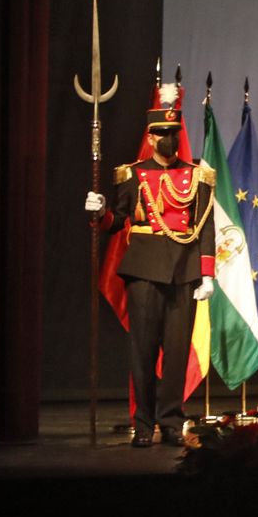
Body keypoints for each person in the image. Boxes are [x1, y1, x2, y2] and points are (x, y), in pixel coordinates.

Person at [84, 89, 215, 447]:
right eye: (163, 135)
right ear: (151, 137)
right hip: (144, 269)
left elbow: (204, 227)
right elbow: (118, 222)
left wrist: (207, 273)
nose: (170, 140)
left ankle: (171, 422)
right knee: (142, 350)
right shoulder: (132, 175)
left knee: (176, 352)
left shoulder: (198, 176)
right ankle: (143, 423)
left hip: (184, 269)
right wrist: (100, 213)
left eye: (174, 135)